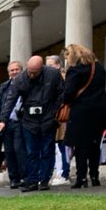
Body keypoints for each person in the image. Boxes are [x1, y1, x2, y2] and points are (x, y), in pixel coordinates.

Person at [0, 55, 63, 191]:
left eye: (35, 73)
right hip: (29, 119)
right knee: (31, 151)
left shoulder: (53, 74)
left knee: (46, 150)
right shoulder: (20, 79)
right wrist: (3, 120)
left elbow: (61, 93)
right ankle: (32, 180)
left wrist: (54, 111)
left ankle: (44, 179)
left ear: (41, 69)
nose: (31, 75)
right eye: (29, 72)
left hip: (48, 117)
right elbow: (11, 100)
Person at [61, 43, 106, 188]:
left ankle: (81, 177)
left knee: (80, 145)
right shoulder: (99, 68)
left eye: (67, 56)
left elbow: (68, 93)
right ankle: (95, 175)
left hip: (81, 111)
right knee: (95, 144)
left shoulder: (75, 71)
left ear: (72, 55)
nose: (67, 60)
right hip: (99, 110)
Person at [0, 60, 27, 188]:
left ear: (21, 70)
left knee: (19, 149)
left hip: (20, 122)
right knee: (9, 152)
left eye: (16, 69)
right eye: (12, 70)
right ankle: (14, 179)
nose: (14, 72)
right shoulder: (4, 87)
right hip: (6, 123)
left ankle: (24, 177)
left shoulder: (26, 84)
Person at [45, 54, 70, 183]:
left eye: (51, 65)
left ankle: (64, 173)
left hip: (62, 116)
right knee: (55, 146)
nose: (48, 68)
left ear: (58, 65)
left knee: (62, 146)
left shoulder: (63, 78)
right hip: (52, 116)